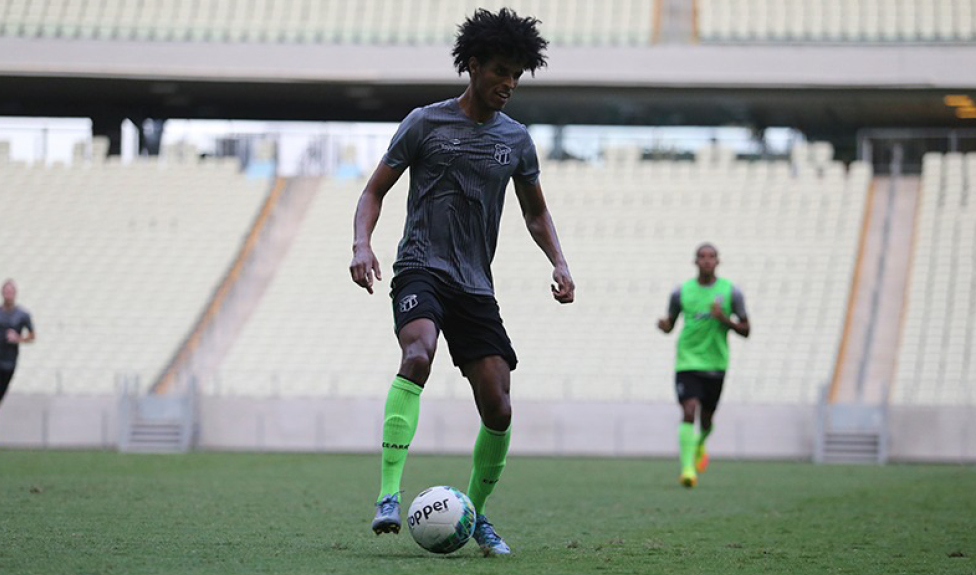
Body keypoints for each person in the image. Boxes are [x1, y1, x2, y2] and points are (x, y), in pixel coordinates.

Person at [349, 7, 574, 554]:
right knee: (418, 354)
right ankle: (387, 495)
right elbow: (373, 191)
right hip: (420, 266)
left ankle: (475, 517)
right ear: (472, 65)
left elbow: (536, 213)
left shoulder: (517, 141)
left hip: (476, 285)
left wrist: (559, 261)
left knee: (498, 405)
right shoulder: (425, 123)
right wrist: (361, 244)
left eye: (516, 75)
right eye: (500, 70)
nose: (508, 84)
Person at [657, 244, 749, 488]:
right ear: (695, 262)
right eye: (702, 257)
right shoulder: (681, 293)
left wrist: (723, 319)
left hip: (716, 363)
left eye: (711, 257)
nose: (707, 261)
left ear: (718, 261)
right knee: (689, 411)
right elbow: (670, 325)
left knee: (707, 420)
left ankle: (699, 444)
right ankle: (687, 469)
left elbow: (746, 330)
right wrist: (663, 325)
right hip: (687, 361)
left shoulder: (731, 293)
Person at [0, 279, 35, 406]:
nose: (8, 294)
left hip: (9, 362)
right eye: (6, 292)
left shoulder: (22, 315)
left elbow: (32, 336)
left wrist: (18, 339)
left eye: (11, 292)